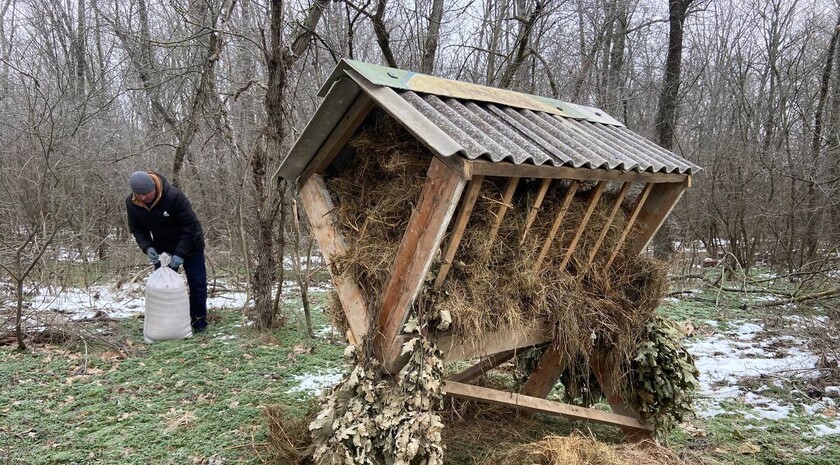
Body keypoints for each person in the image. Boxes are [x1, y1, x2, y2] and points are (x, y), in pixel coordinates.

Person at [126, 171, 208, 333]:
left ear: (154, 188)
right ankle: (166, 325)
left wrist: (181, 253)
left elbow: (190, 226)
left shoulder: (174, 197)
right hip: (162, 249)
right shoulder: (132, 203)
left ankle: (199, 322)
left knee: (197, 284)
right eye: (139, 194)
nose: (143, 198)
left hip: (191, 245)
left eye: (146, 193)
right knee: (163, 287)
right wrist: (148, 247)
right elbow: (137, 229)